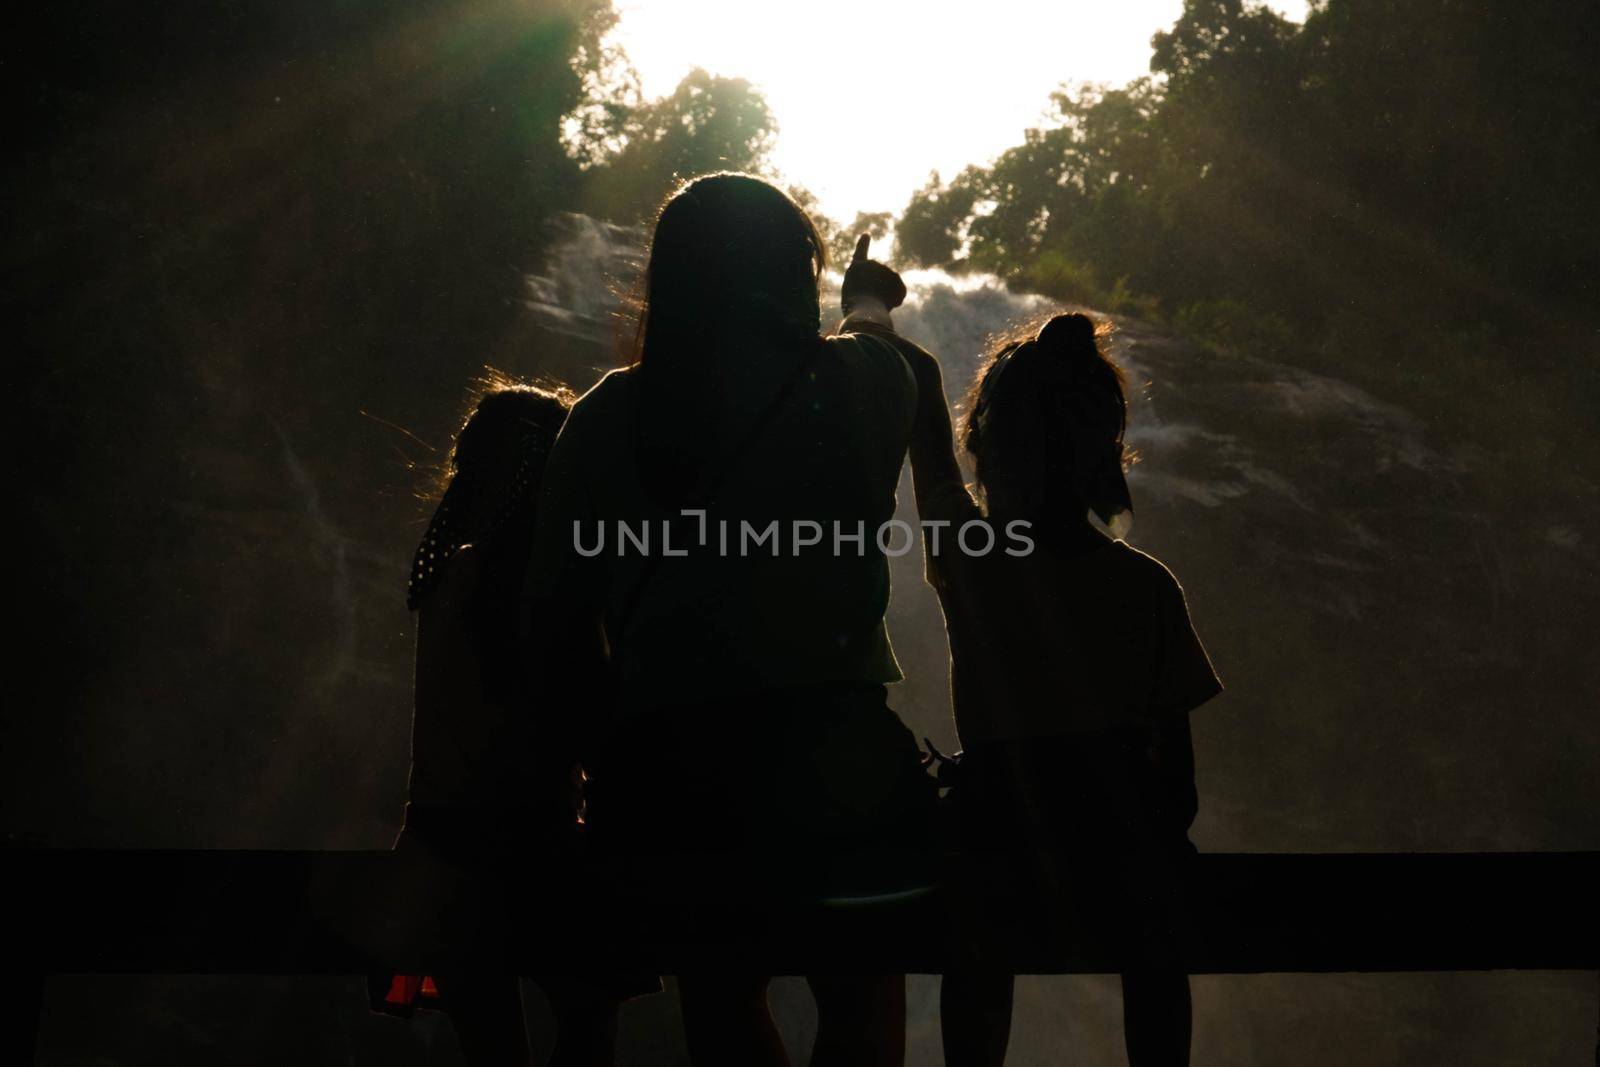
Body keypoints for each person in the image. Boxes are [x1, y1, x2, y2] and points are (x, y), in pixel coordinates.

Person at [524, 174, 939, 1067]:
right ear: (794, 275)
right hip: (834, 756)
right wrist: (866, 296)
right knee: (863, 1013)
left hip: (672, 773)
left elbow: (555, 630)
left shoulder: (604, 419)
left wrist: (607, 768)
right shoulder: (858, 379)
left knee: (724, 1015)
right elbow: (882, 348)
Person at [860, 302, 1222, 1066]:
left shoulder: (968, 556)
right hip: (1121, 846)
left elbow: (924, 422)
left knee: (972, 929)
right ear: (1108, 452)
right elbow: (1179, 789)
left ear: (986, 447)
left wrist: (874, 322)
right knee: (1157, 937)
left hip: (997, 840)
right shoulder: (1149, 587)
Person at [388, 378, 649, 1067]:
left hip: (435, 858)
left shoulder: (446, 575)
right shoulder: (549, 580)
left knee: (491, 1053)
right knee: (590, 1027)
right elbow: (583, 723)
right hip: (529, 848)